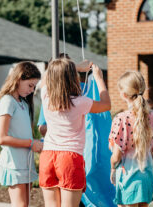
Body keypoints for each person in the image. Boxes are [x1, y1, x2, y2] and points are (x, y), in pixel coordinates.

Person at [38, 58, 111, 207]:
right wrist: (98, 78)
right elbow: (106, 105)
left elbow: (47, 75)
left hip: (47, 156)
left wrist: (73, 67)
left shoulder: (46, 97)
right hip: (69, 158)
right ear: (73, 78)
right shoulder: (80, 102)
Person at [0, 61, 44, 207]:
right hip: (14, 164)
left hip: (25, 162)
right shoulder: (7, 102)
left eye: (34, 86)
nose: (32, 90)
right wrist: (31, 143)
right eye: (30, 85)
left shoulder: (23, 104)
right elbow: (1, 138)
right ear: (19, 79)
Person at [109, 71, 153, 207]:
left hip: (128, 179)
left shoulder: (121, 119)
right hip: (146, 177)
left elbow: (116, 157)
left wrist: (112, 169)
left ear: (123, 95)